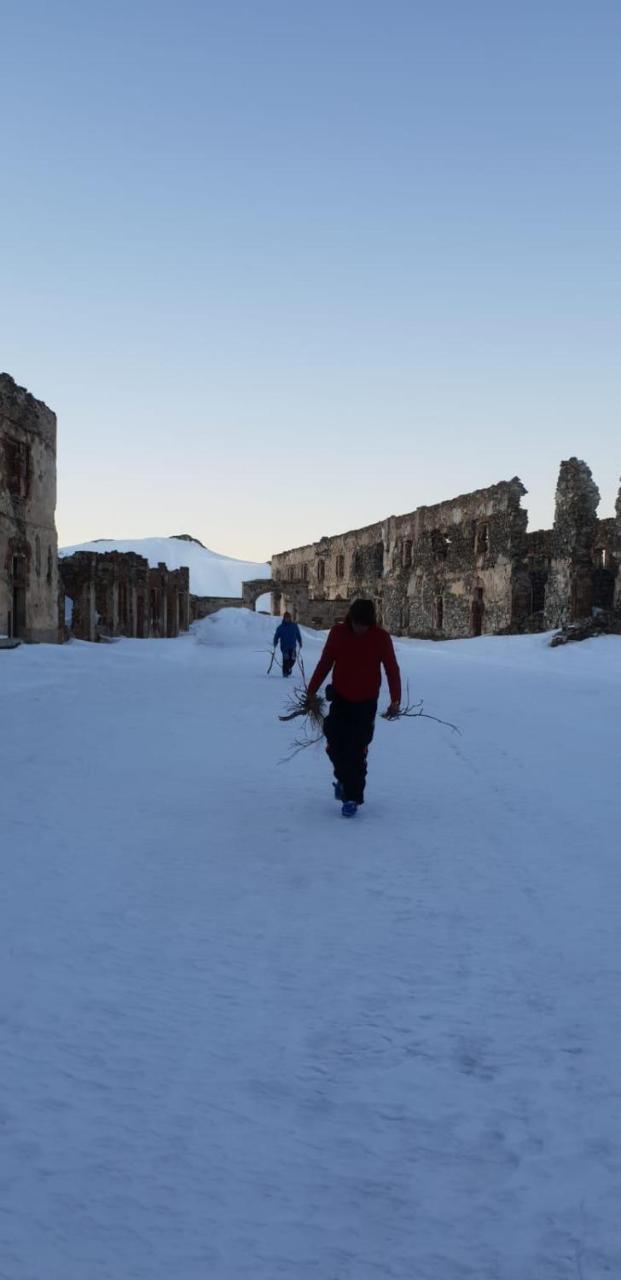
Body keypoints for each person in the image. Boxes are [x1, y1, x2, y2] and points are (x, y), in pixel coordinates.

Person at [305, 599, 401, 817]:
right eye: (357, 623)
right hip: (341, 698)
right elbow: (325, 662)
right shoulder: (338, 633)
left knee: (357, 751)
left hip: (366, 702)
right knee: (335, 743)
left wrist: (395, 699)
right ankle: (343, 780)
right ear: (351, 619)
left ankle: (352, 798)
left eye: (364, 625)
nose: (360, 629)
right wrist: (311, 691)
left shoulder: (380, 637)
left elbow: (391, 668)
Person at [273, 611, 303, 677]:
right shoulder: (280, 627)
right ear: (284, 618)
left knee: (293, 659)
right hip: (284, 647)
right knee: (286, 659)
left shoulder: (294, 626)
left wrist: (300, 642)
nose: (287, 619)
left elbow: (298, 635)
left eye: (288, 618)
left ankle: (288, 668)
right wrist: (275, 642)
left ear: (290, 618)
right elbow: (276, 636)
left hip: (292, 646)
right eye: (286, 618)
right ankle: (285, 673)